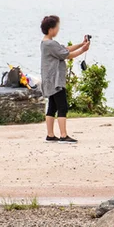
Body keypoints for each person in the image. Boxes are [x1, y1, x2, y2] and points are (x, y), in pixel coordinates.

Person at [39, 15, 90, 144]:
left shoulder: (45, 43)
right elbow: (67, 55)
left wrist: (81, 44)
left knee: (52, 107)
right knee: (63, 106)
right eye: (57, 27)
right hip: (55, 80)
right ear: (51, 29)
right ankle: (63, 135)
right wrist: (83, 50)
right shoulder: (50, 44)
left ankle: (50, 135)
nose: (58, 29)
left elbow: (65, 49)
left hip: (49, 80)